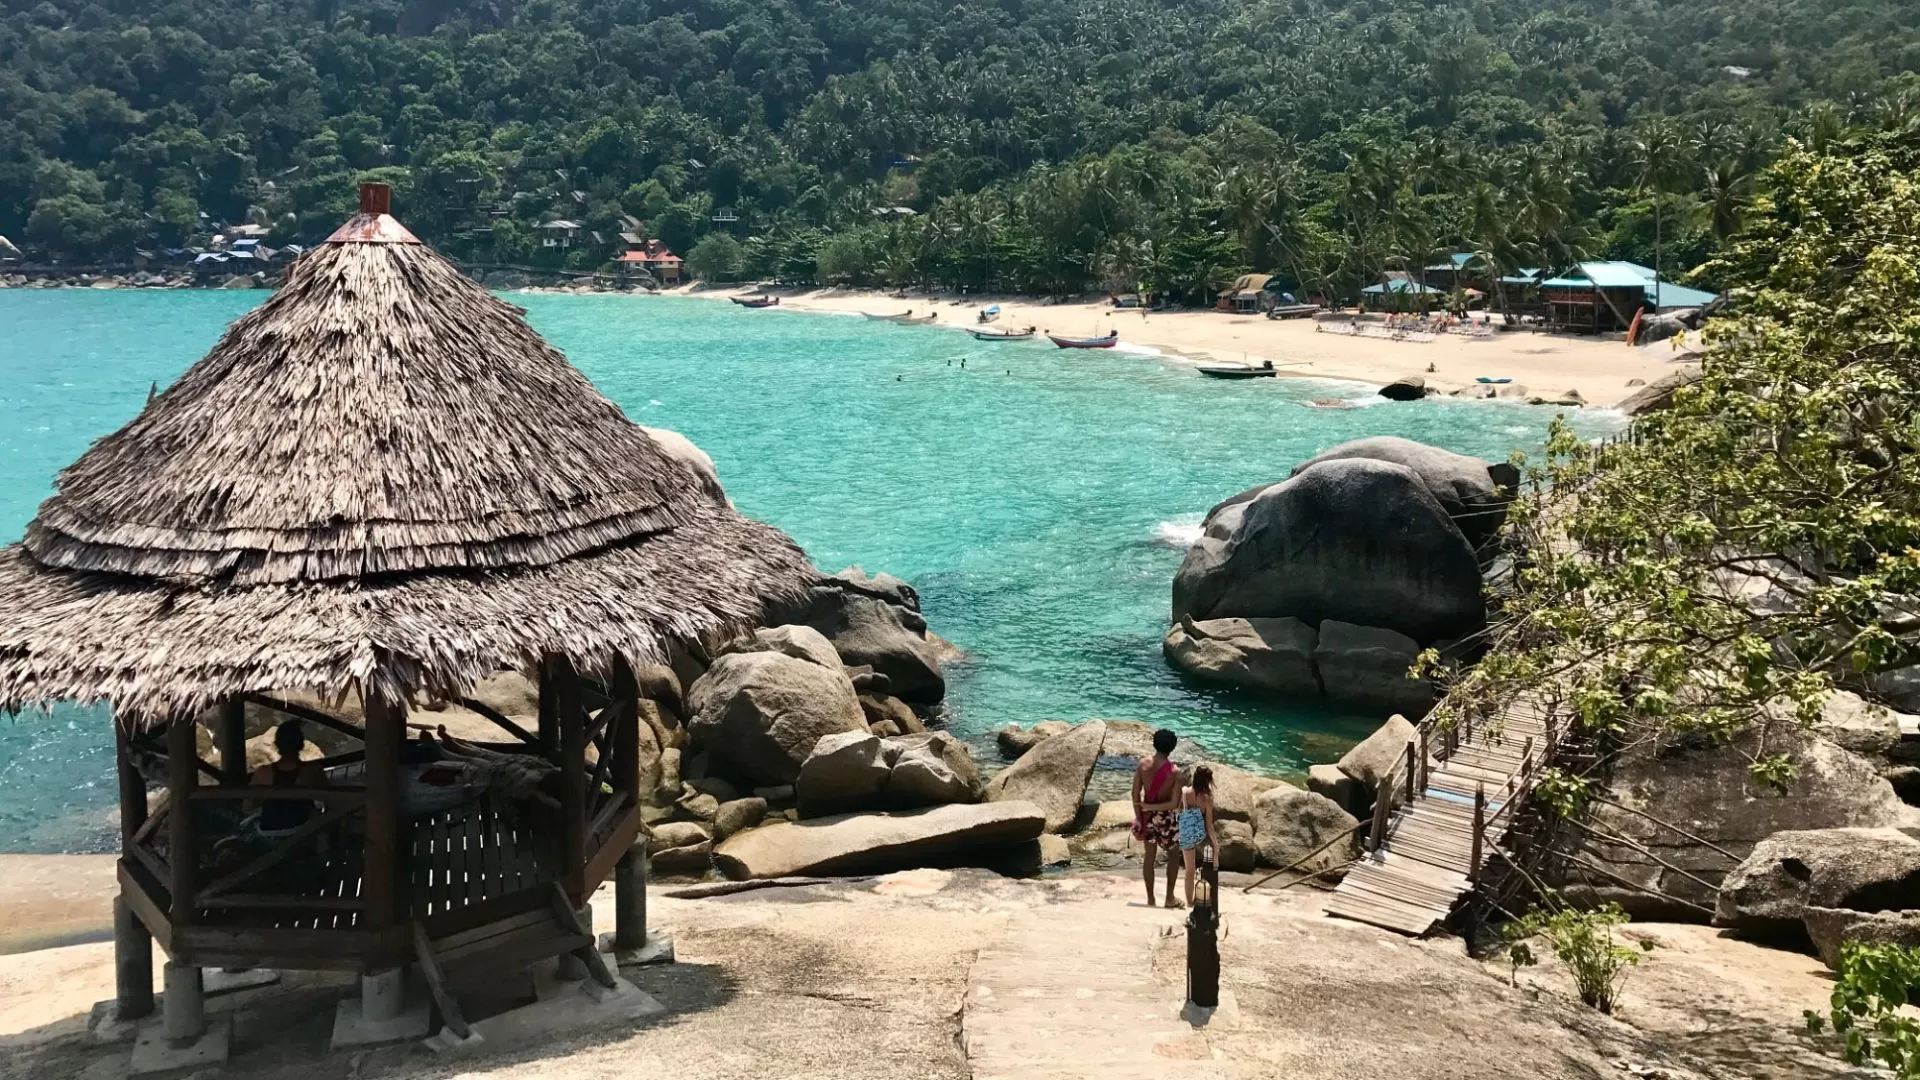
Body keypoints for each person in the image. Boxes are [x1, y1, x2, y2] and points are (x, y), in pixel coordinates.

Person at [1130, 728, 1183, 908]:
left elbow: (1135, 793)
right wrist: (1153, 808)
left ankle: (1150, 900)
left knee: (1149, 858)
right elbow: (1174, 804)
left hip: (1147, 816)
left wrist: (1139, 816)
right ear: (1172, 748)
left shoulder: (1143, 764)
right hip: (1166, 819)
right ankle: (1169, 898)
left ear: (1154, 743)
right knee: (1174, 855)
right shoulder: (1175, 772)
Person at [248, 719, 328, 835]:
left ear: (277, 744)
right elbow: (330, 800)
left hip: (268, 833)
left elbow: (248, 805)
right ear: (301, 743)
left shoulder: (263, 773)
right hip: (301, 833)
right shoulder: (312, 771)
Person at [1177, 766, 1218, 909]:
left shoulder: (1184, 792)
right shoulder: (1207, 799)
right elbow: (1209, 825)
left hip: (1187, 832)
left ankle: (1189, 902)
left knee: (1189, 870)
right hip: (1201, 834)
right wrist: (1216, 846)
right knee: (1208, 865)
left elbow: (1182, 811)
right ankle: (1205, 896)